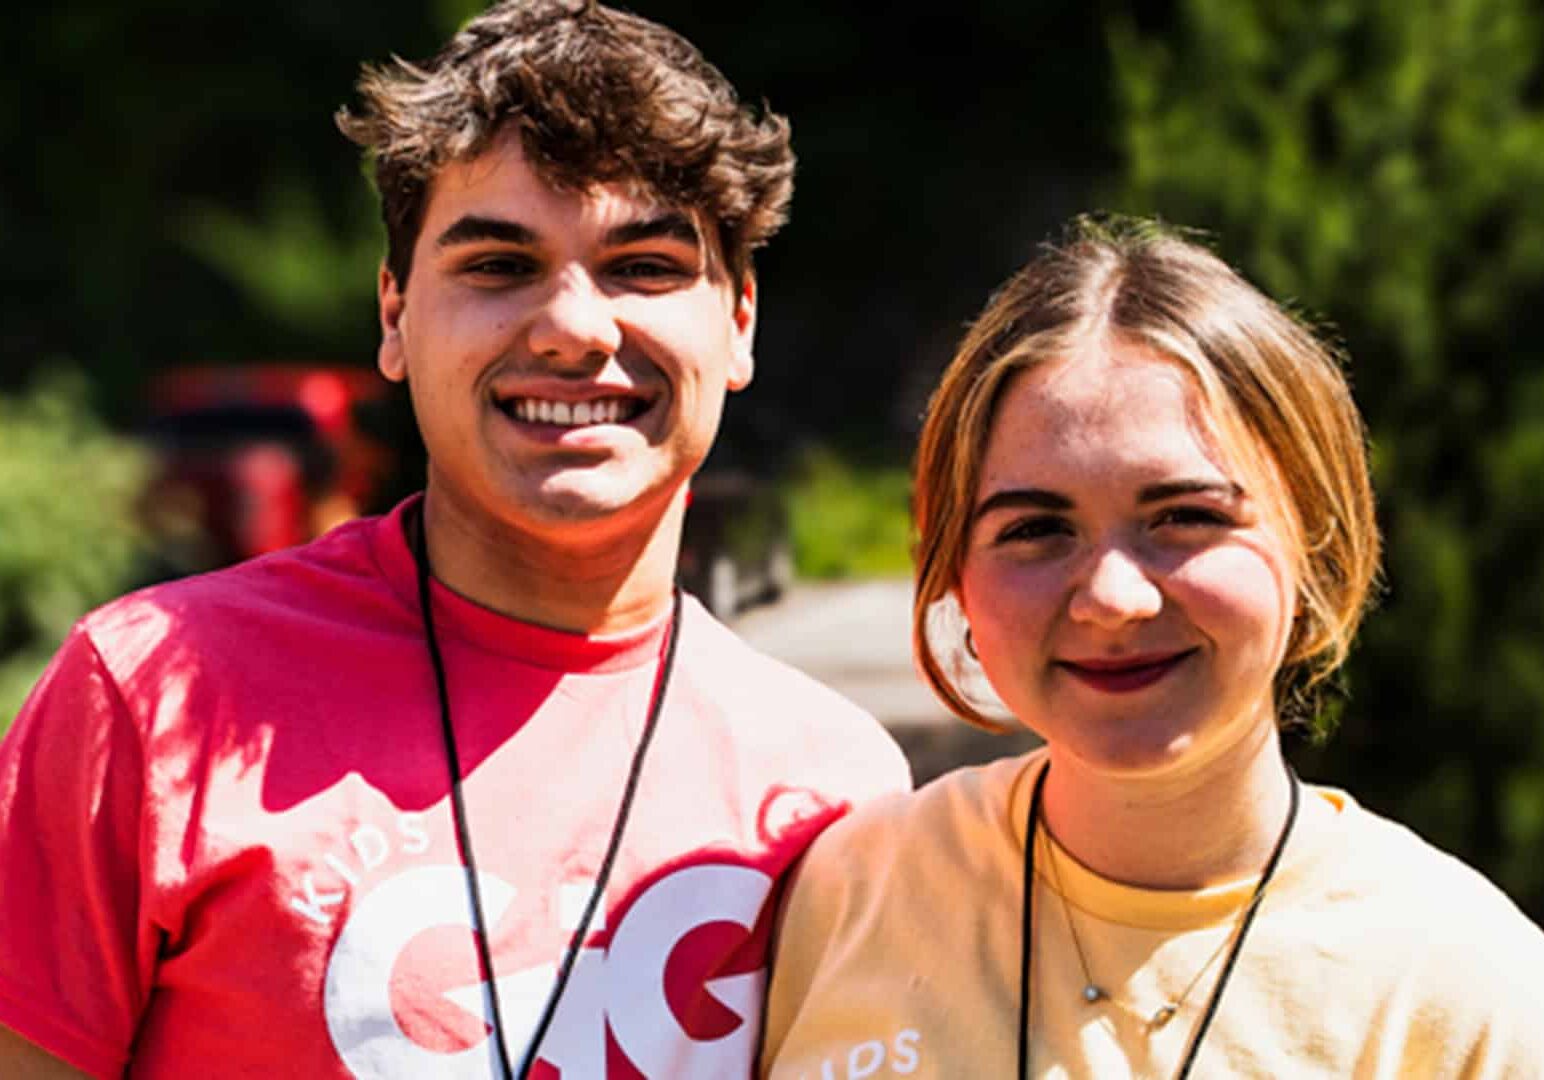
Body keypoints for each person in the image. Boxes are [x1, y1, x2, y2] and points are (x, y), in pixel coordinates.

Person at [0, 2, 910, 1076]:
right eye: (497, 266)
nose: (574, 327)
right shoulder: (152, 696)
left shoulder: (841, 790)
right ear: (393, 314)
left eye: (645, 266)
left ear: (739, 321)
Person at [760, 217, 1544, 1078]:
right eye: (1035, 529)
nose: (1112, 599)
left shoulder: (1464, 986)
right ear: (950, 571)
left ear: (1315, 537)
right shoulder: (847, 892)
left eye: (1186, 518)